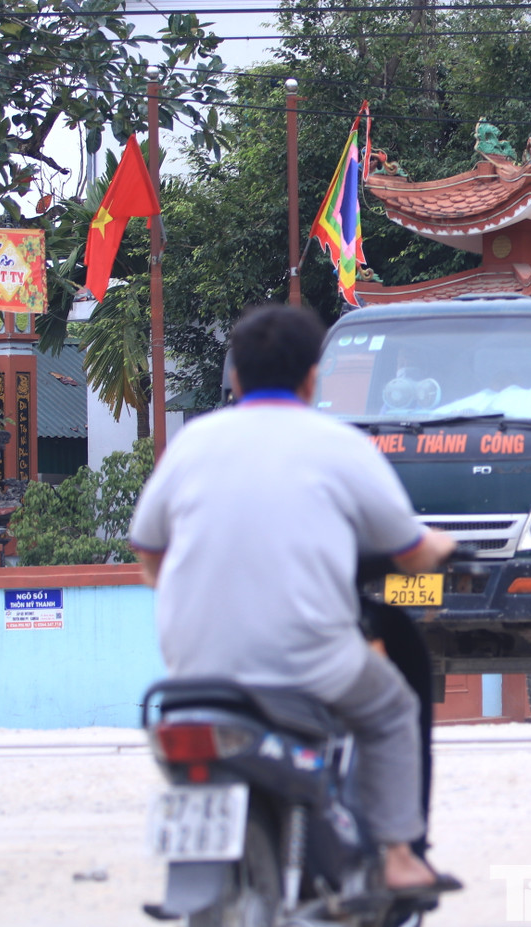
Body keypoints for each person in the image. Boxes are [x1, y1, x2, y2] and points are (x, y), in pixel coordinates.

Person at [130, 302, 457, 895]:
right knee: (390, 710)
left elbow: (149, 553)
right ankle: (399, 856)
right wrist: (441, 546)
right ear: (313, 376)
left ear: (235, 377)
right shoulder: (339, 445)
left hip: (192, 668)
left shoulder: (193, 442)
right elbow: (410, 552)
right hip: (310, 665)